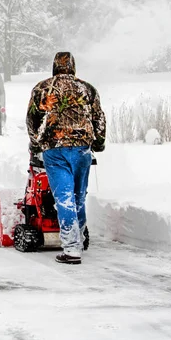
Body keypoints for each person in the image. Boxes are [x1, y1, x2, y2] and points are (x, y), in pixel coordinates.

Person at [26, 52, 106, 265]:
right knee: (79, 196)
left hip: (55, 150)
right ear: (73, 67)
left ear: (54, 67)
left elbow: (32, 119)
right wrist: (99, 142)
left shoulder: (42, 88)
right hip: (82, 150)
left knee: (64, 197)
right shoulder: (87, 89)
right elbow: (98, 118)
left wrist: (36, 144)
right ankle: (77, 241)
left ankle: (71, 249)